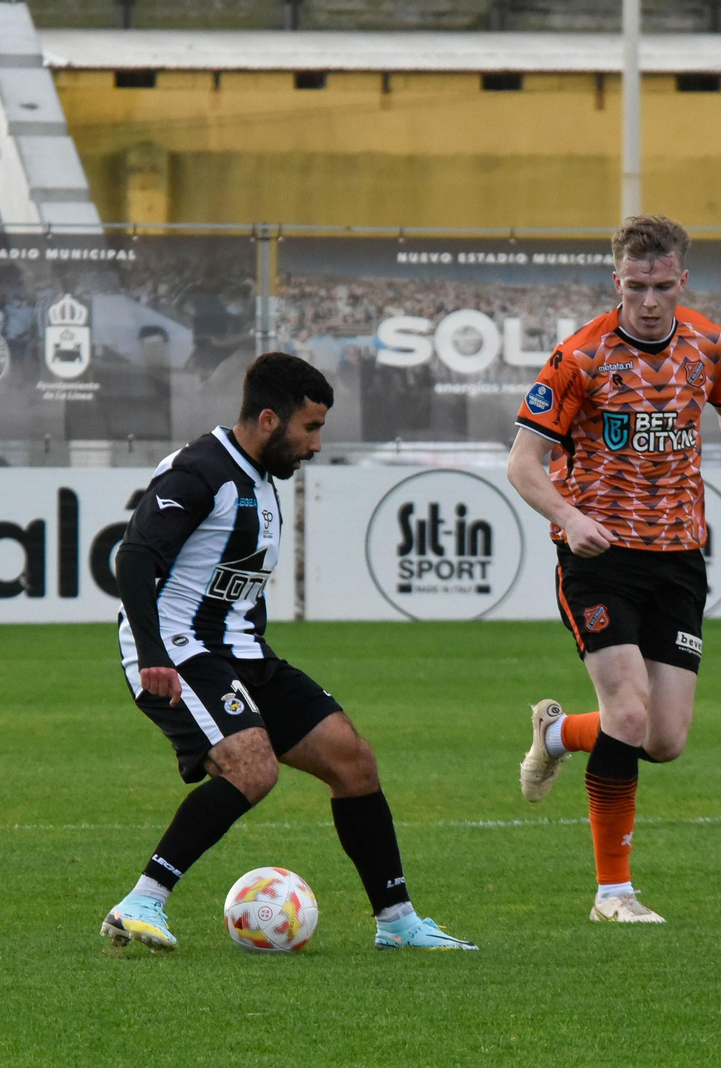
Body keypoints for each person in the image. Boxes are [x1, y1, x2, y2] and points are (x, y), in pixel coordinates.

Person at [102, 352, 476, 953]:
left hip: (243, 652)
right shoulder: (201, 471)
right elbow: (136, 557)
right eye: (311, 428)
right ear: (270, 420)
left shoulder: (262, 478)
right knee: (253, 769)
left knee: (352, 761)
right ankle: (141, 902)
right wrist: (152, 654)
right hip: (180, 647)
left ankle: (398, 924)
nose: (318, 444)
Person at [506, 215, 721, 923]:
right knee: (629, 714)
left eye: (662, 286)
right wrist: (571, 519)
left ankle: (556, 734)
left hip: (679, 560)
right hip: (598, 560)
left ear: (682, 281)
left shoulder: (709, 344)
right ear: (617, 281)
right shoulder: (579, 357)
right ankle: (614, 894)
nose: (649, 302)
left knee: (662, 739)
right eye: (636, 287)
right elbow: (522, 463)